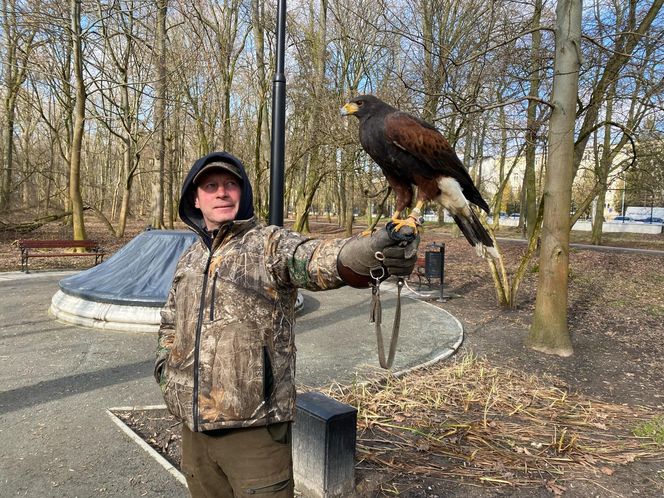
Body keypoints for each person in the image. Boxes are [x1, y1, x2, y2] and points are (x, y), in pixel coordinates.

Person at [154, 151, 419, 497]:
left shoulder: (269, 244)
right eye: (212, 186)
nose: (222, 192)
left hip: (255, 431)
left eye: (231, 184)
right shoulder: (190, 257)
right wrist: (165, 367)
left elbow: (318, 259)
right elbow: (170, 321)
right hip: (195, 433)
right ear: (195, 197)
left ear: (242, 193)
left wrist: (373, 250)